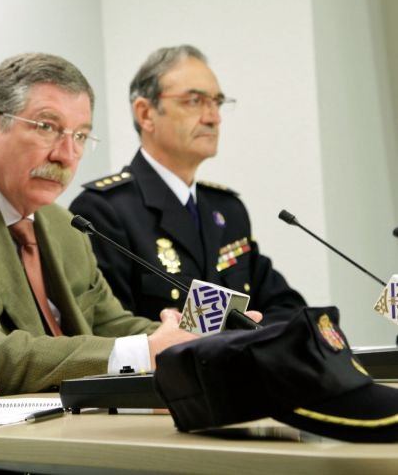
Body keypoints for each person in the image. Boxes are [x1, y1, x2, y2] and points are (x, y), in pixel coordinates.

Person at [0, 53, 203, 396]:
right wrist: (145, 351)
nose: (66, 155)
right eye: (47, 128)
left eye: (80, 136)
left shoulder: (65, 224)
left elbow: (110, 323)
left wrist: (188, 339)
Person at [70, 45, 305, 323]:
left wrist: (251, 336)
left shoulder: (227, 210)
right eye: (195, 101)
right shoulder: (104, 212)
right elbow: (110, 328)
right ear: (146, 114)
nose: (213, 118)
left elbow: (287, 308)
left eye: (217, 102)